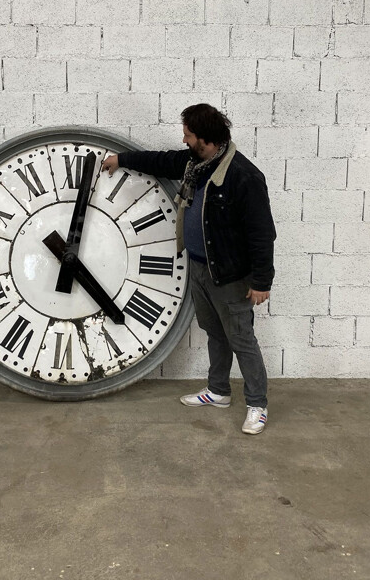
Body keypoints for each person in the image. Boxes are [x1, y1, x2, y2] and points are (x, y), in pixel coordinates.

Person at [101, 104, 276, 435]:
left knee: (241, 338)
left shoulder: (244, 177)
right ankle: (219, 391)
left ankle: (257, 404)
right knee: (215, 332)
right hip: (198, 266)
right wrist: (121, 160)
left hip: (229, 275)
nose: (184, 140)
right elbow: (160, 161)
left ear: (205, 139)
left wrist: (262, 281)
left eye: (188, 135)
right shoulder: (195, 163)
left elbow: (262, 233)